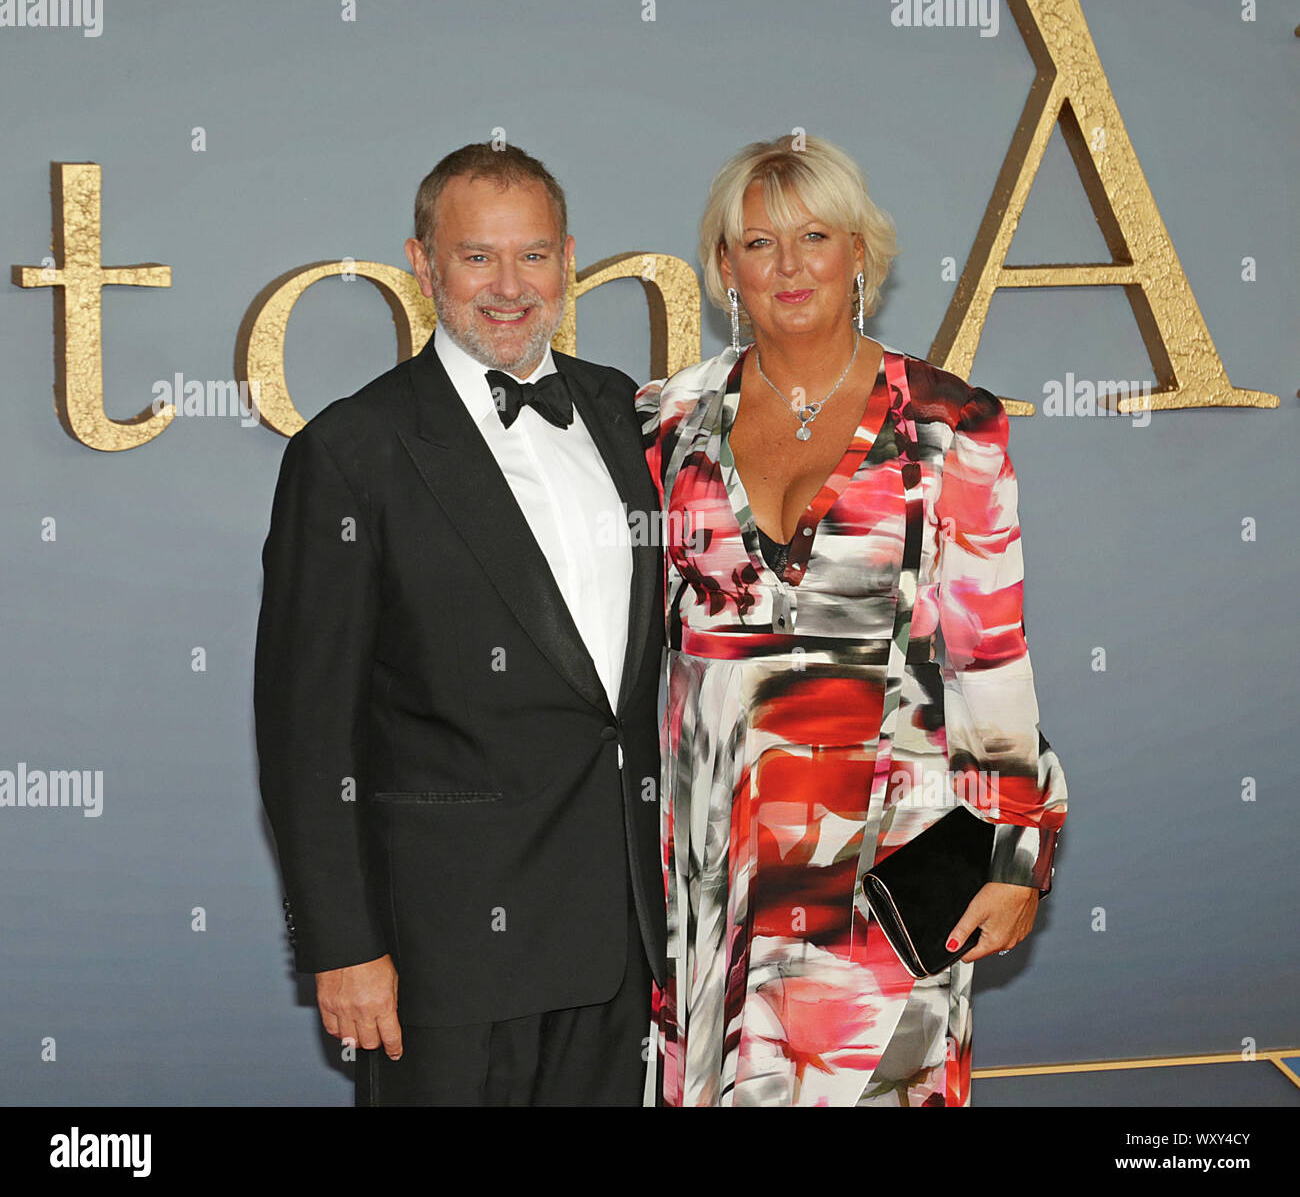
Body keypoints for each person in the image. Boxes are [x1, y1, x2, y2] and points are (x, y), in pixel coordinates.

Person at [635, 133, 1067, 1107]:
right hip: (717, 859)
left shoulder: (950, 422)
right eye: (756, 242)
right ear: (721, 268)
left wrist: (1013, 851)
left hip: (888, 845)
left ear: (860, 252)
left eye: (814, 235)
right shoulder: (666, 421)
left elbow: (988, 646)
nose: (787, 266)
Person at [253, 142, 666, 1106]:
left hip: (626, 939)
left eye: (533, 255)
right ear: (423, 264)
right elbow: (307, 731)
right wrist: (345, 946)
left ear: (569, 261)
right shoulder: (352, 451)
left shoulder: (623, 414)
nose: (509, 286)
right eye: (477, 256)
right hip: (448, 960)